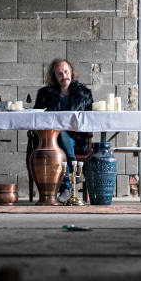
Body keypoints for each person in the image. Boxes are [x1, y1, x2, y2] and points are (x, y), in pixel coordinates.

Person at [34, 59, 93, 202]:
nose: (63, 75)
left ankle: (66, 188)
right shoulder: (45, 94)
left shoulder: (84, 94)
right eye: (59, 73)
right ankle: (74, 169)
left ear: (71, 72)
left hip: (77, 139)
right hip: (51, 140)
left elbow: (90, 119)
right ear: (54, 76)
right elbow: (37, 117)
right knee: (58, 133)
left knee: (60, 136)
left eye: (66, 71)